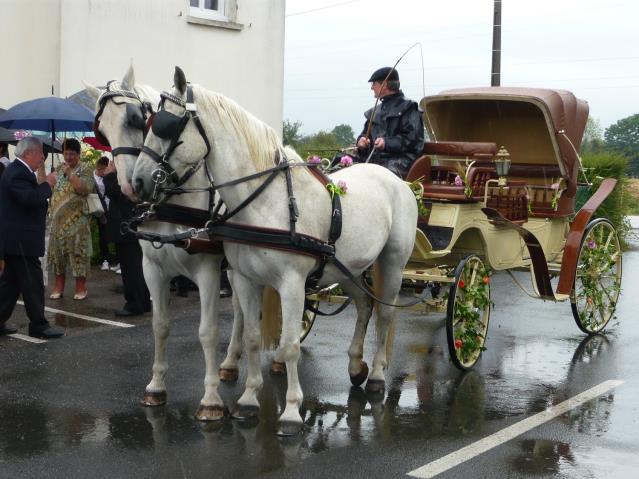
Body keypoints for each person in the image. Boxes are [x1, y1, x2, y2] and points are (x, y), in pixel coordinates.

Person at [0, 137, 64, 338]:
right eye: (40, 153)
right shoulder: (17, 173)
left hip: (17, 239)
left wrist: (44, 185)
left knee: (10, 284)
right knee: (33, 283)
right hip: (21, 239)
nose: (43, 158)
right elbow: (29, 199)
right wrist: (48, 184)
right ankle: (39, 325)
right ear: (28, 153)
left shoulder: (20, 171)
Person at [355, 67, 424, 179]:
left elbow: (411, 139)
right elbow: (364, 134)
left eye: (374, 84)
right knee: (341, 163)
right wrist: (362, 141)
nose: (372, 87)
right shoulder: (374, 111)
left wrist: (386, 143)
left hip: (401, 159)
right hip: (374, 159)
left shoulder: (410, 107)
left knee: (380, 176)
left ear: (384, 84)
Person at [47, 138, 95, 300]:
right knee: (57, 256)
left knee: (78, 255)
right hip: (57, 223)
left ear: (78, 154)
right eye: (66, 153)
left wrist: (70, 174)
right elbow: (46, 185)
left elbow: (84, 189)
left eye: (72, 154)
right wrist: (41, 166)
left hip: (77, 222)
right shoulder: (59, 168)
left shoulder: (86, 169)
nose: (68, 157)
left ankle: (81, 288)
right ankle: (59, 287)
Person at [103, 159, 151, 317]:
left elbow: (114, 192)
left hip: (125, 225)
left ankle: (134, 303)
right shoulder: (138, 167)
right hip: (133, 224)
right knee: (137, 266)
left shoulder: (125, 171)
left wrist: (109, 175)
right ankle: (143, 301)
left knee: (130, 268)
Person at [93, 156, 116, 271]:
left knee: (115, 233)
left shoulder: (107, 177)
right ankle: (105, 260)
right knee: (103, 236)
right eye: (104, 170)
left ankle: (118, 260)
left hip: (110, 208)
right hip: (98, 210)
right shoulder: (92, 178)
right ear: (100, 168)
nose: (106, 172)